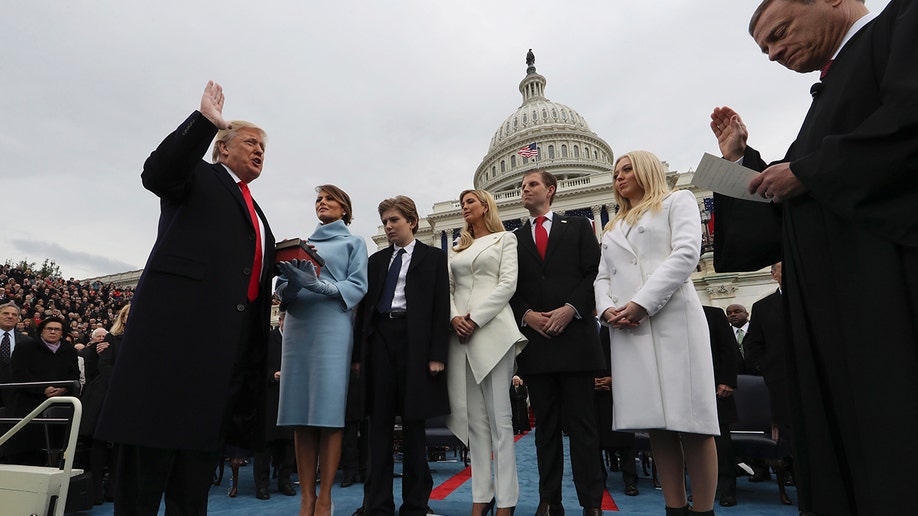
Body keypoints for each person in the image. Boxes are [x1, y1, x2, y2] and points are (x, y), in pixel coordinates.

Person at [709, 2, 918, 513]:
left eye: (779, 34)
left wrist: (807, 172)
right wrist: (741, 163)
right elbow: (794, 203)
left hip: (888, 301)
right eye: (765, 49)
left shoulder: (901, 24)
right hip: (833, 320)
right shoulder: (830, 87)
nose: (775, 53)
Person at [95, 81, 276, 516]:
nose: (259, 152)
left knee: (192, 490)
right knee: (143, 481)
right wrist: (203, 122)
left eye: (264, 148)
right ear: (222, 148)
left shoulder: (256, 210)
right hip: (171, 355)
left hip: (218, 366)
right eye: (251, 142)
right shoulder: (198, 175)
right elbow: (157, 173)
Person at [594, 151, 719, 516]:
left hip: (671, 320)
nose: (620, 176)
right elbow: (602, 276)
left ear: (647, 169)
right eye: (616, 172)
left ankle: (704, 510)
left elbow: (685, 254)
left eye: (627, 168)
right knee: (657, 426)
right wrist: (607, 310)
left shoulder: (675, 201)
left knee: (692, 422)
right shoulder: (612, 226)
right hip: (628, 330)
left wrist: (641, 303)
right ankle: (674, 508)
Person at [511, 170, 606, 516]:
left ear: (550, 190)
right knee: (545, 429)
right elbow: (511, 288)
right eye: (522, 186)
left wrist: (571, 309)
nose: (525, 189)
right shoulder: (514, 238)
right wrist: (527, 315)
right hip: (537, 344)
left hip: (575, 339)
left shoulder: (578, 227)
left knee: (584, 427)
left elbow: (594, 273)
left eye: (532, 184)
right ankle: (550, 500)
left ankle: (591, 502)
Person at [352, 194, 450, 516]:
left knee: (413, 426)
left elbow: (440, 307)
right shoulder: (376, 261)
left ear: (412, 221)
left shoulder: (433, 258)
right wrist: (358, 355)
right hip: (379, 340)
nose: (388, 227)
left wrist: (437, 354)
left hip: (415, 343)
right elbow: (364, 310)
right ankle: (377, 504)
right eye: (384, 222)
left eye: (394, 220)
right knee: (377, 426)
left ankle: (415, 505)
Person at [276, 184, 368, 516]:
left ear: (344, 208)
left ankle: (325, 497)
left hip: (333, 326)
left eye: (330, 199)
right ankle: (306, 498)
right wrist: (289, 286)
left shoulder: (354, 243)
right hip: (298, 327)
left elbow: (358, 286)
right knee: (301, 414)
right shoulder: (301, 245)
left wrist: (321, 285)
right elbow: (283, 291)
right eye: (318, 199)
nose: (323, 203)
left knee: (328, 415)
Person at [446, 189, 526, 516]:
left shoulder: (506, 239)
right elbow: (449, 289)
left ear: (485, 207)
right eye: (462, 202)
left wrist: (475, 319)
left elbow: (507, 285)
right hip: (459, 336)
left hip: (493, 332)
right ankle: (482, 496)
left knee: (500, 421)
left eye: (470, 202)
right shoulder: (456, 249)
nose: (465, 207)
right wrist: (454, 317)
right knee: (474, 422)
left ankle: (507, 501)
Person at [253, 310, 296, 500]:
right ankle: (262, 486)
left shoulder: (299, 341)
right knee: (266, 445)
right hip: (270, 397)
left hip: (291, 399)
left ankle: (284, 482)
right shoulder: (268, 339)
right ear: (280, 321)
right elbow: (256, 367)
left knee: (288, 444)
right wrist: (273, 374)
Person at [701, 306, 740, 507]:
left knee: (721, 444)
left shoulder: (713, 314)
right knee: (695, 443)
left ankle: (727, 490)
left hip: (716, 386)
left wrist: (727, 380)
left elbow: (729, 349)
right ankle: (703, 490)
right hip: (686, 389)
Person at [0, 301, 33, 410]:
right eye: (6, 313)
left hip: (17, 397)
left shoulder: (28, 342)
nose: (10, 317)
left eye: (14, 315)